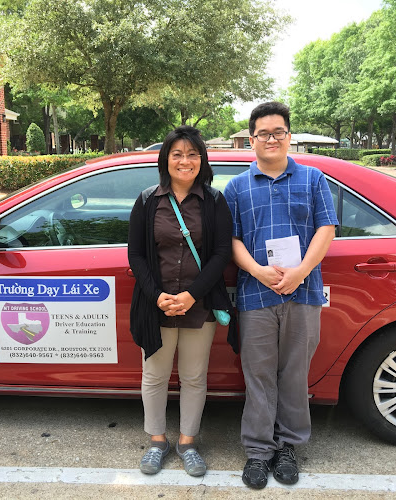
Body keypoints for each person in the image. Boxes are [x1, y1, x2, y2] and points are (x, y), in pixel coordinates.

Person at [223, 102, 338, 489]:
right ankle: (258, 451)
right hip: (256, 294)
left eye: (278, 132)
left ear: (289, 136)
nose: (271, 139)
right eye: (263, 133)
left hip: (303, 292)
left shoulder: (313, 179)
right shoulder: (237, 187)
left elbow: (326, 228)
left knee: (293, 374)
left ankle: (288, 447)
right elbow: (232, 239)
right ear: (251, 139)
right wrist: (256, 270)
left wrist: (302, 271)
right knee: (257, 375)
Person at [128, 125, 236, 477]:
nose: (185, 161)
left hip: (199, 305)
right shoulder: (147, 201)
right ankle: (157, 440)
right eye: (177, 154)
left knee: (193, 377)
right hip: (155, 304)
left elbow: (221, 254)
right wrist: (158, 296)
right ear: (166, 159)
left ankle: (187, 441)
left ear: (202, 160)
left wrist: (191, 295)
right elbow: (137, 256)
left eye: (192, 154)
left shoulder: (214, 201)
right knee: (154, 375)